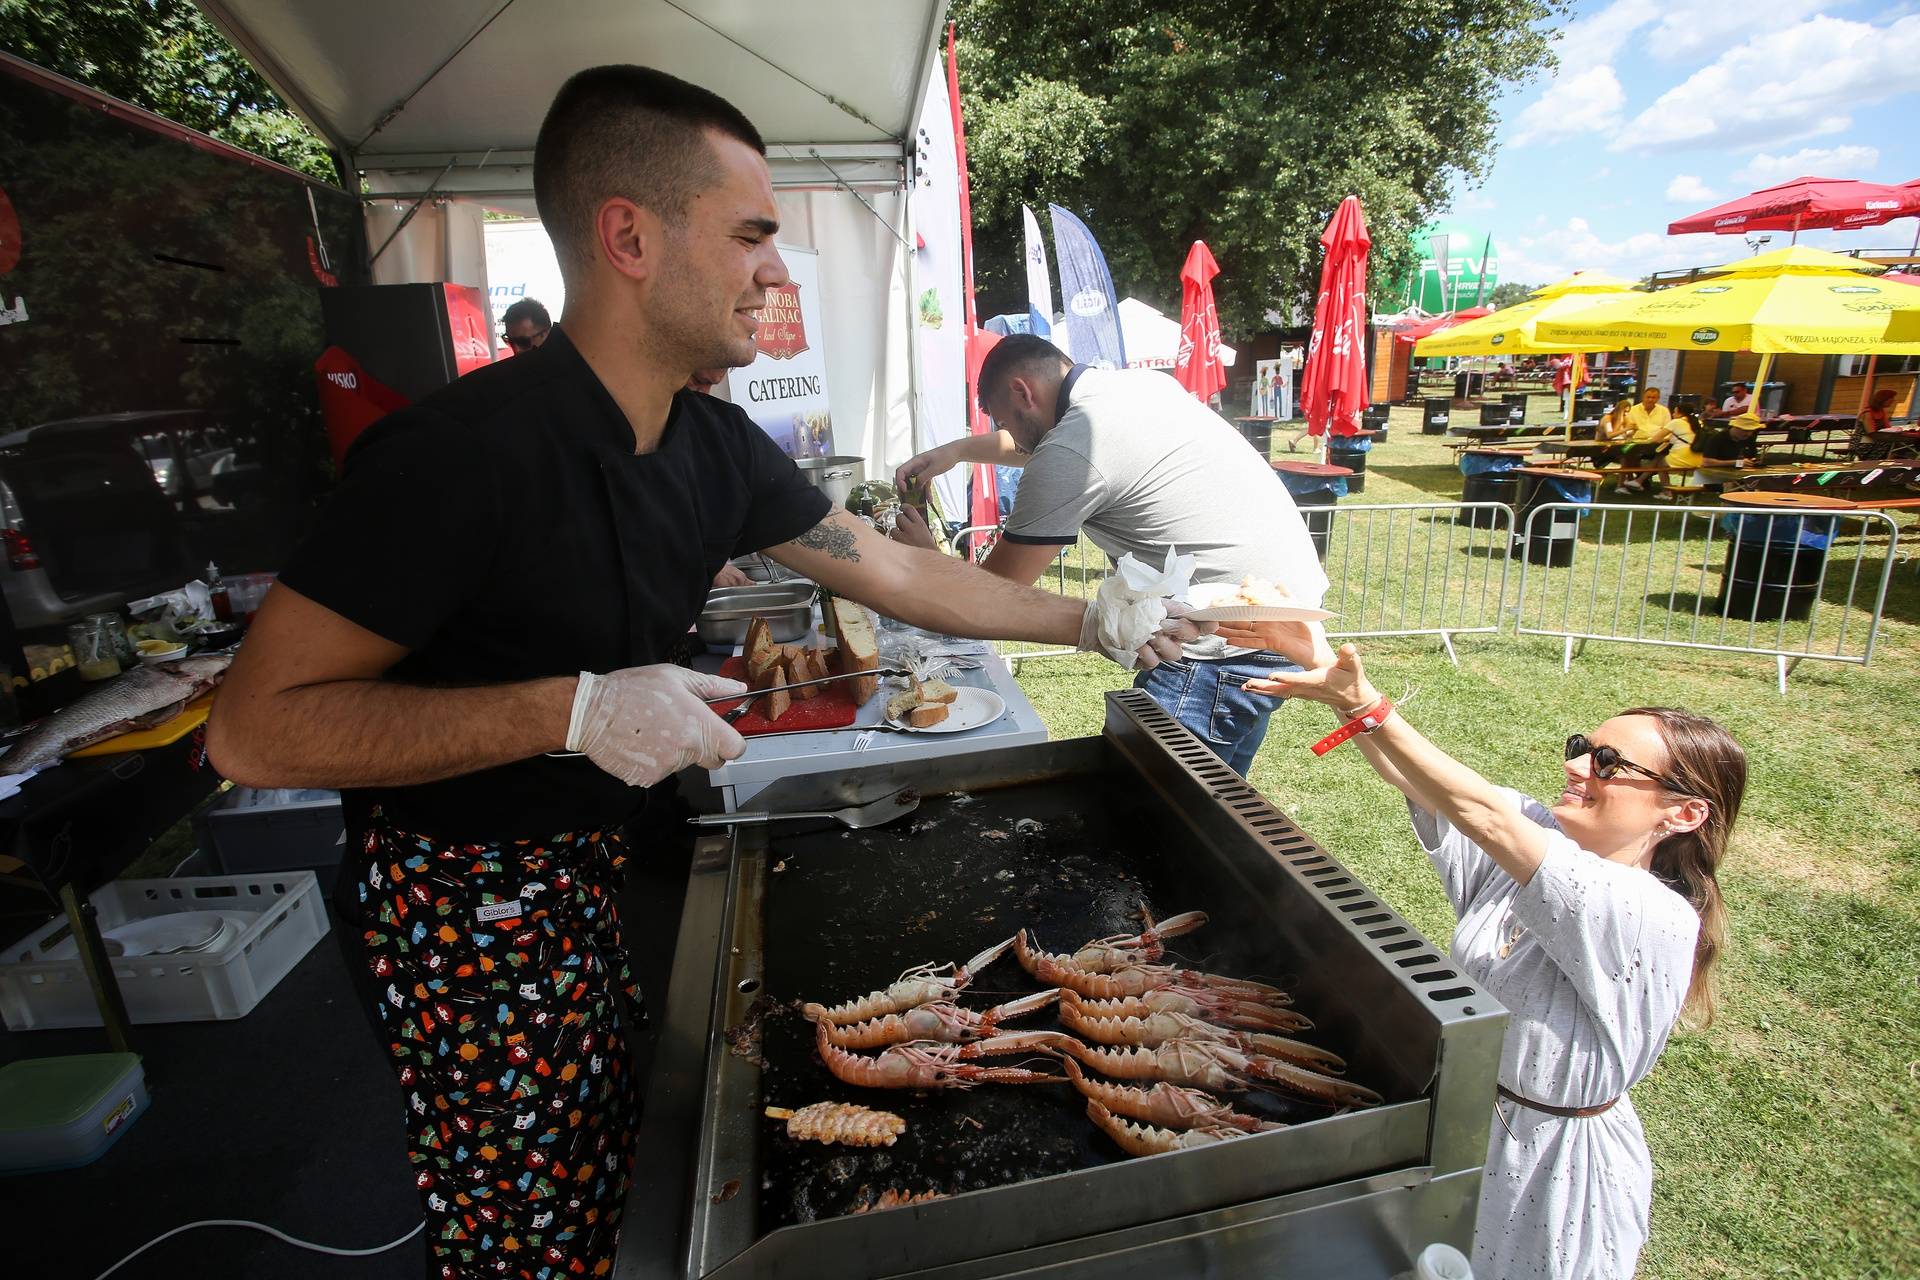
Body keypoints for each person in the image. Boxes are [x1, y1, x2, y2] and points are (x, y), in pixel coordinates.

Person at [206, 66, 1198, 1280]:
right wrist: (568, 709)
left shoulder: (711, 441)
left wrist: (1091, 616)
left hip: (621, 867)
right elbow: (254, 732)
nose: (775, 272)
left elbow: (897, 573)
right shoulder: (454, 456)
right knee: (529, 1240)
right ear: (629, 234)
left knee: (636, 1189)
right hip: (470, 914)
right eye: (749, 235)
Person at [1215, 634, 1743, 1280]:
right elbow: (1426, 782)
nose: (1578, 767)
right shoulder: (1547, 840)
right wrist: (1327, 671)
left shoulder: (1647, 913)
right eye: (1583, 748)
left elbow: (1484, 814)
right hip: (1470, 1123)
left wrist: (1368, 703)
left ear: (1684, 813)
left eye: (1609, 763)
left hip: (1549, 1170)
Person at [889, 333, 1332, 775]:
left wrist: (930, 558)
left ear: (1023, 390)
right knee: (1217, 799)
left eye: (1005, 420)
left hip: (1214, 639)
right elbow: (1042, 443)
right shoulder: (1139, 387)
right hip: (1285, 613)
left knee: (1150, 800)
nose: (1007, 435)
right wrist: (955, 452)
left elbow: (994, 595)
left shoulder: (1072, 446)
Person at [1853, 387, 1901, 460]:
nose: (1893, 401)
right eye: (1891, 398)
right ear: (1883, 399)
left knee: (1899, 444)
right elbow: (1871, 433)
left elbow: (1888, 428)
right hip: (1864, 442)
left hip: (1877, 439)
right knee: (1889, 444)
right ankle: (1874, 462)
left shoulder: (1881, 411)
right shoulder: (1868, 413)